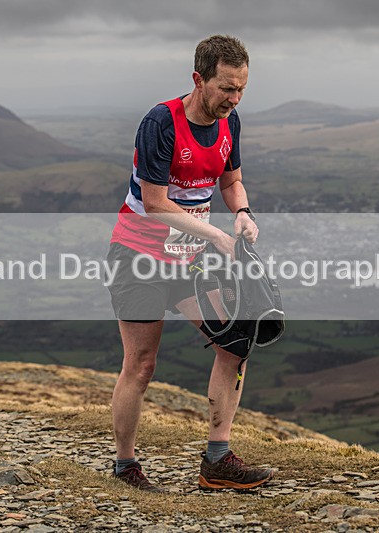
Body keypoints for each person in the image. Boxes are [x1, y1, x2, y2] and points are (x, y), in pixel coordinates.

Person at [106, 35, 275, 491]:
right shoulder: (160, 122)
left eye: (241, 89)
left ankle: (217, 460)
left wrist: (242, 213)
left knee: (235, 343)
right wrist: (216, 234)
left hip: (188, 260)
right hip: (138, 257)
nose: (234, 99)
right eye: (226, 88)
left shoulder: (229, 121)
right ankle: (125, 467)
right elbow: (155, 202)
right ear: (199, 79)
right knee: (141, 364)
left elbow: (231, 182)